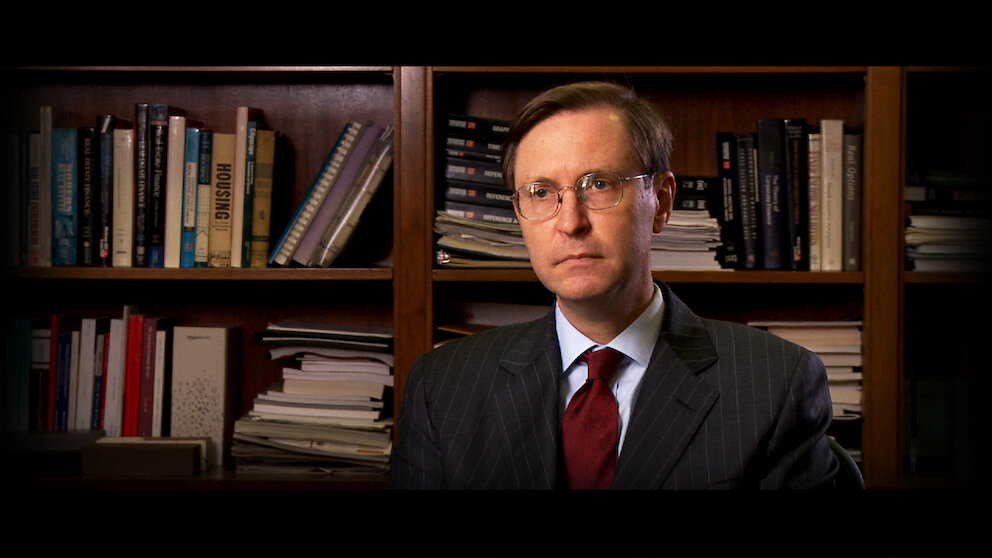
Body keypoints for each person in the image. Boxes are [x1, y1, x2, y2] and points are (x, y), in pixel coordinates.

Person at [387, 81, 839, 489]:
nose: (571, 223)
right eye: (541, 192)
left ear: (661, 201)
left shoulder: (777, 385)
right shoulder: (443, 387)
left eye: (599, 184)